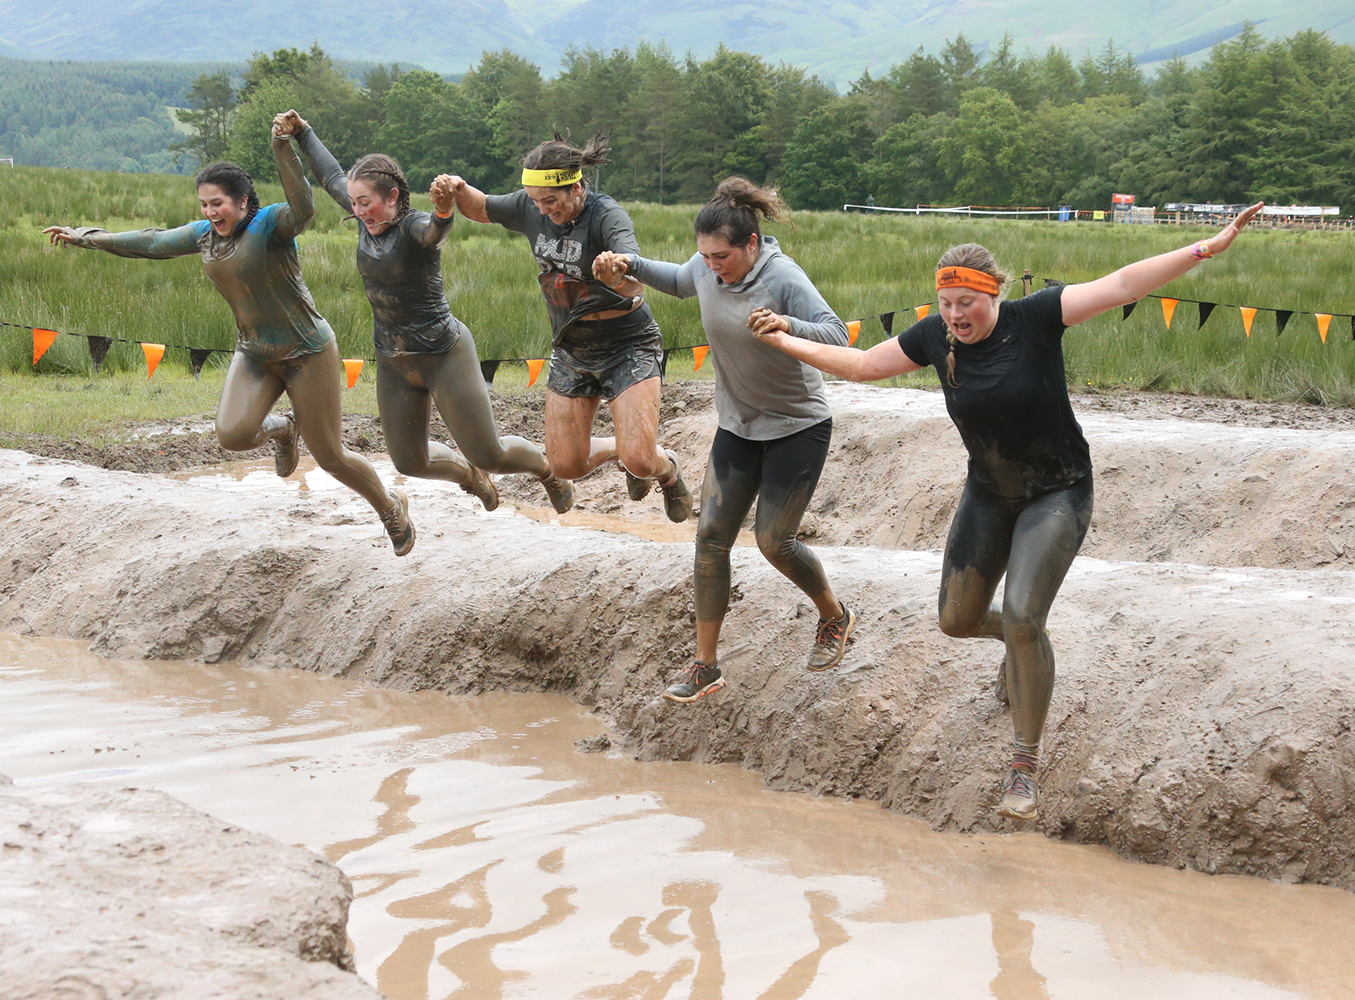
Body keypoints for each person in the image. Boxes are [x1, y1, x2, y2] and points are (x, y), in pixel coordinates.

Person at [752, 203, 1264, 820]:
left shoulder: (1037, 317)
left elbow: (1124, 283)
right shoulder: (934, 337)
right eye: (946, 303)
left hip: (1058, 492)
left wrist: (1206, 247)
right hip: (989, 494)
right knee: (956, 620)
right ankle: (1023, 647)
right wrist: (784, 340)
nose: (955, 315)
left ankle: (1024, 764)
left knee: (1023, 615)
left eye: (966, 303)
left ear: (992, 294)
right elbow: (861, 366)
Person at [43, 122, 416, 555]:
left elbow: (304, 206)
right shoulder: (203, 237)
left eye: (217, 203)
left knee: (331, 456)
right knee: (233, 435)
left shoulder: (272, 224)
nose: (210, 212)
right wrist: (86, 237)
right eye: (204, 204)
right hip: (255, 353)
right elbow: (152, 242)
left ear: (241, 201)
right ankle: (284, 429)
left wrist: (282, 147)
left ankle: (390, 507)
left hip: (307, 352)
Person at [593, 178, 852, 703]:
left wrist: (786, 323)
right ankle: (705, 666)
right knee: (710, 538)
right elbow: (677, 278)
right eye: (706, 257)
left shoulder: (781, 275)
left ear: (751, 244)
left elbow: (838, 334)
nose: (713, 267)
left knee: (774, 541)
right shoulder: (705, 267)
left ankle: (834, 616)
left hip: (797, 427)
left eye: (722, 257)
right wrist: (627, 264)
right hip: (738, 426)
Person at [276, 110, 574, 514]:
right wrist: (303, 131)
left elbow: (435, 234)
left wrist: (444, 211)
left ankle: (548, 471)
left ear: (392, 197)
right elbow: (330, 174)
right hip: (394, 359)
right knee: (409, 463)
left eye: (366, 202)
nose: (358, 210)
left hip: (443, 354)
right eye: (354, 202)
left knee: (490, 454)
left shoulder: (414, 226)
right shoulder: (365, 217)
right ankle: (471, 478)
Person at [434, 134, 693, 522]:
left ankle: (666, 469)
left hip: (627, 342)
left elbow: (635, 281)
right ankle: (622, 450)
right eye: (535, 201)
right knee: (566, 465)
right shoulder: (532, 206)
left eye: (550, 201)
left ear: (575, 187)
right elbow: (482, 207)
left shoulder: (607, 216)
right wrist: (457, 188)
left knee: (641, 459)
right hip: (572, 346)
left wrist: (615, 276)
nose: (542, 209)